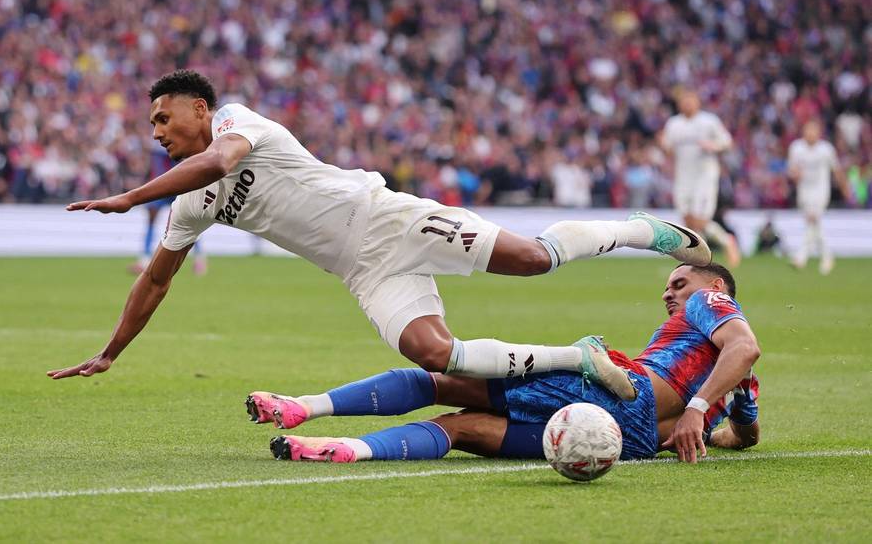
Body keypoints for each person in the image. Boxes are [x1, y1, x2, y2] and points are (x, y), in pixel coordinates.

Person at [47, 70, 711, 401]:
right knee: (436, 354)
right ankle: (581, 357)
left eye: (163, 120)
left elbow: (220, 162)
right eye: (151, 127)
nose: (156, 133)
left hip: (384, 216)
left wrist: (129, 197)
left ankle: (639, 229)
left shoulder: (235, 124)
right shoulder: (189, 204)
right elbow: (157, 281)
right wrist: (110, 351)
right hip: (359, 269)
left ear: (199, 109)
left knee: (534, 259)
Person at [252, 263, 760, 465]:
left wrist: (692, 409)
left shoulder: (710, 305)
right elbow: (746, 436)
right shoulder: (743, 386)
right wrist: (704, 428)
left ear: (714, 288)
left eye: (679, 284)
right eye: (668, 286)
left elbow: (745, 345)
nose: (668, 293)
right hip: (629, 444)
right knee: (462, 430)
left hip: (616, 391)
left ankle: (305, 407)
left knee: (441, 382)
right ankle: (351, 450)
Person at [659, 89, 741, 267]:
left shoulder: (708, 121)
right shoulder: (674, 124)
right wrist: (664, 147)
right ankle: (701, 260)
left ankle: (726, 241)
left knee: (699, 219)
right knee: (688, 220)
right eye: (684, 100)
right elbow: (668, 148)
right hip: (683, 177)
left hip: (704, 176)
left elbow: (727, 143)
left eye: (690, 99)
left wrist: (714, 146)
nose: (687, 103)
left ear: (697, 102)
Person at [128, 148, 208, 276]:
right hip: (162, 186)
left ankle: (199, 258)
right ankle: (144, 260)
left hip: (179, 184)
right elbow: (154, 167)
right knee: (151, 216)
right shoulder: (156, 146)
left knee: (189, 219)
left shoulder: (174, 140)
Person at [787, 120, 852, 275]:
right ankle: (827, 256)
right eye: (808, 131)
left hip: (820, 190)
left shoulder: (826, 149)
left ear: (819, 133)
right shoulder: (796, 148)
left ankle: (800, 257)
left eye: (813, 131)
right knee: (813, 224)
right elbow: (792, 170)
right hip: (804, 191)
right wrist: (796, 175)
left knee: (813, 219)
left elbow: (836, 169)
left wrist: (845, 187)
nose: (810, 134)